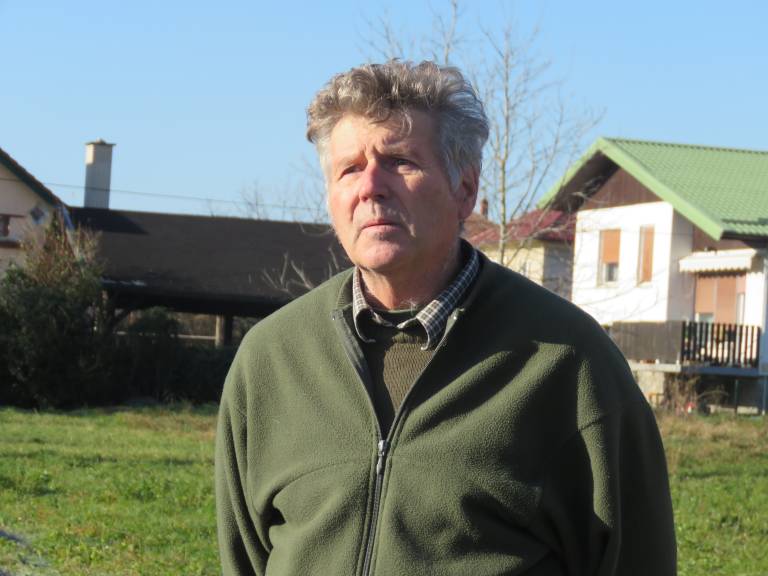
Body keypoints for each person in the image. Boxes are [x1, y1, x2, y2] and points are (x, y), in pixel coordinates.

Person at [215, 60, 676, 576]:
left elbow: (637, 559)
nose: (371, 187)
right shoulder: (272, 357)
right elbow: (244, 558)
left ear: (465, 190)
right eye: (349, 169)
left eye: (400, 161)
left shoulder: (568, 360)